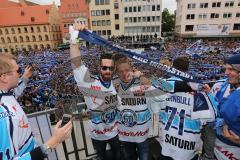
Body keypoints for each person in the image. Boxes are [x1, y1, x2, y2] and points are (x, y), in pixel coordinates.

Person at [0, 53, 73, 160]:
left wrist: (25, 77)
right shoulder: (4, 116)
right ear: (4, 77)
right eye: (17, 71)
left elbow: (14, 92)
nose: (19, 74)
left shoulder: (6, 95)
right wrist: (54, 141)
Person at [69, 24, 120, 160]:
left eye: (110, 68)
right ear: (99, 67)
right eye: (104, 68)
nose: (107, 71)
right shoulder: (89, 82)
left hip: (115, 133)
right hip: (97, 135)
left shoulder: (117, 83)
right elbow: (77, 64)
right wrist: (74, 40)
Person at [151, 57, 217, 160]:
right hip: (188, 144)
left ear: (172, 66)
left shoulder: (159, 84)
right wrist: (210, 94)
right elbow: (211, 117)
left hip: (166, 140)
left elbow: (152, 102)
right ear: (188, 68)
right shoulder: (198, 90)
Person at [114, 54, 161, 160]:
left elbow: (158, 86)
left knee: (144, 156)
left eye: (127, 70)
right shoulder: (115, 87)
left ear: (132, 70)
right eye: (120, 71)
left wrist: (139, 76)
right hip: (125, 135)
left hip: (142, 135)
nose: (124, 73)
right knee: (130, 157)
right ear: (117, 73)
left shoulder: (141, 83)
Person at [213, 54, 240, 160]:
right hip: (219, 144)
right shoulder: (225, 86)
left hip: (234, 150)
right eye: (226, 69)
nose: (226, 73)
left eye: (231, 69)